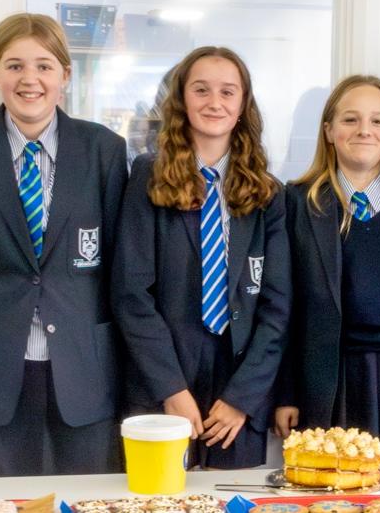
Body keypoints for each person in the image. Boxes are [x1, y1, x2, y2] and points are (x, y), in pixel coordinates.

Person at [0, 13, 128, 477]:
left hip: (82, 369)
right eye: (14, 65)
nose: (29, 79)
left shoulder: (104, 149)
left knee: (83, 501)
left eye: (44, 66)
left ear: (65, 75)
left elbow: (117, 260)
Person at [113, 45, 290, 469]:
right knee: (159, 495)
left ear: (243, 104)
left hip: (238, 383)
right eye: (201, 90)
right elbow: (131, 294)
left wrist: (242, 398)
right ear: (181, 99)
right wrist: (171, 389)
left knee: (233, 496)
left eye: (228, 92)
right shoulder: (148, 177)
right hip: (163, 377)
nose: (215, 102)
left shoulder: (268, 193)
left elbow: (278, 306)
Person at [273, 75, 380, 464]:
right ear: (328, 131)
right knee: (331, 487)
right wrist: (285, 393)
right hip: (327, 382)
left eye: (377, 120)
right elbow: (283, 309)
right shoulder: (297, 203)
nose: (364, 130)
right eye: (350, 119)